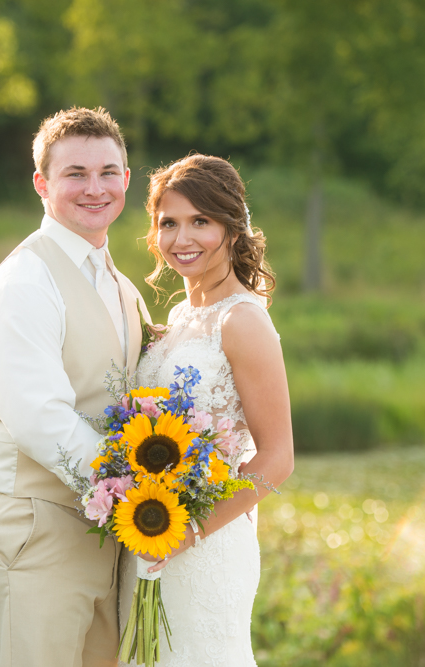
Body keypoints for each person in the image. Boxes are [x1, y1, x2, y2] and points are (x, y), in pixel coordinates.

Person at [0, 107, 152, 667]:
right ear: (42, 184)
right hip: (30, 538)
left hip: (102, 541)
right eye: (75, 174)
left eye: (108, 172)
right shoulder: (24, 282)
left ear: (126, 180)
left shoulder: (120, 285)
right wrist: (140, 489)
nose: (95, 188)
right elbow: (40, 417)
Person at [118, 154, 295, 666]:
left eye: (201, 222)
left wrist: (186, 534)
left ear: (232, 229)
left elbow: (277, 458)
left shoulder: (243, 322)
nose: (182, 238)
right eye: (168, 223)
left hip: (204, 546)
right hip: (149, 537)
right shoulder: (179, 316)